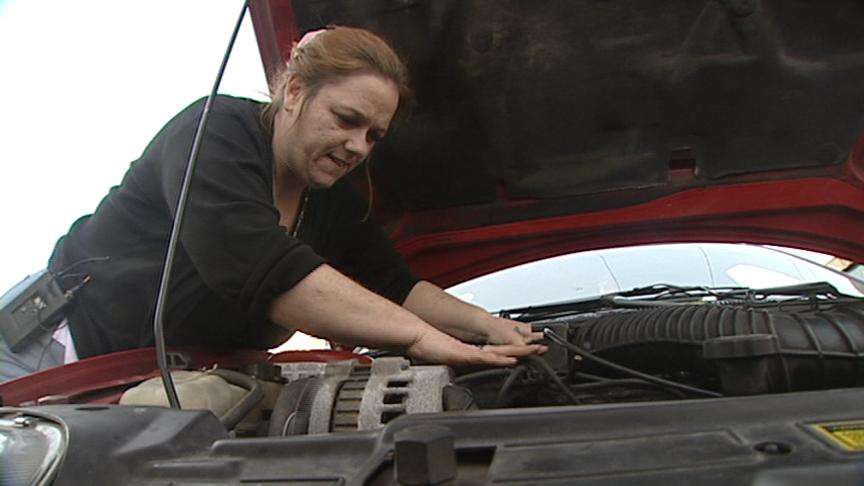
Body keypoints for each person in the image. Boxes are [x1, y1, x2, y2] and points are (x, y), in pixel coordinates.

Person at [0, 26, 544, 382]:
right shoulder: (216, 131)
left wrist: (484, 324)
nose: (358, 146)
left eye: (374, 135)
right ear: (293, 92)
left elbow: (395, 286)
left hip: (156, 381)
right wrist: (424, 339)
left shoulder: (333, 201)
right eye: (346, 119)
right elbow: (256, 265)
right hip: (49, 351)